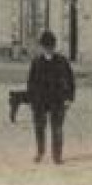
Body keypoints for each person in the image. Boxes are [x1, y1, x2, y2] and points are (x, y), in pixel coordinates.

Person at [25, 28, 76, 164]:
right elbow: (31, 82)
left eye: (51, 47)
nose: (48, 50)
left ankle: (57, 155)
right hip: (40, 101)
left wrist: (69, 98)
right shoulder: (36, 62)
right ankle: (40, 152)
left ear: (54, 46)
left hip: (57, 100)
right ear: (42, 47)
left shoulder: (62, 61)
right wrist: (31, 99)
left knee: (57, 128)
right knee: (39, 127)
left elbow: (70, 81)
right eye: (46, 47)